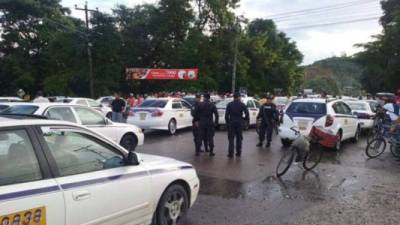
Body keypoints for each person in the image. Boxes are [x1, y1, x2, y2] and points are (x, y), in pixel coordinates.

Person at [225, 92, 249, 158]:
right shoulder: (242, 104)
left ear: (233, 97)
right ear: (238, 97)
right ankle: (238, 152)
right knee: (239, 138)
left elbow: (226, 116)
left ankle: (230, 153)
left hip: (231, 122)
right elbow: (247, 113)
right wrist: (244, 120)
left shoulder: (229, 104)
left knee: (231, 139)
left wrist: (228, 122)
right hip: (239, 122)